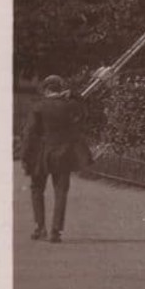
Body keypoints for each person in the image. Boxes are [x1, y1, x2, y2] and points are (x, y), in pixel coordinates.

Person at [21, 75, 93, 243]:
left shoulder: (38, 106)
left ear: (45, 89)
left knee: (37, 189)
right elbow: (85, 114)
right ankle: (56, 231)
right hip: (64, 154)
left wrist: (25, 155)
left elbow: (29, 133)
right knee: (61, 191)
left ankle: (40, 228)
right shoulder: (71, 106)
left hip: (41, 154)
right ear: (61, 89)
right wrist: (75, 95)